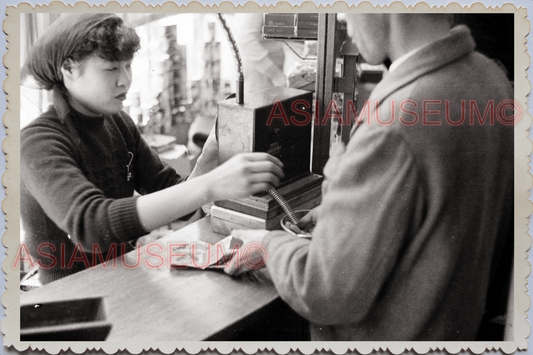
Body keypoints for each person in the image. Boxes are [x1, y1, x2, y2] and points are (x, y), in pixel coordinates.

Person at [225, 14, 514, 341]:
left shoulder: (395, 123)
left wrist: (266, 245)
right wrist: (349, 214)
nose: (343, 16)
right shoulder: (491, 80)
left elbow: (323, 290)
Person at [20, 13, 284, 285]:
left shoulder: (118, 122)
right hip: (70, 294)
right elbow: (91, 226)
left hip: (124, 276)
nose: (125, 80)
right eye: (111, 69)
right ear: (69, 69)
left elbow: (177, 201)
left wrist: (208, 157)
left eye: (128, 66)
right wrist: (211, 184)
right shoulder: (37, 141)